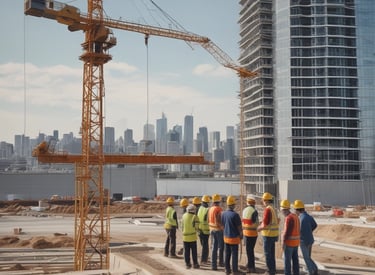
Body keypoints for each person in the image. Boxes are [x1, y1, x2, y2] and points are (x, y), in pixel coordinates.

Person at [293, 200, 318, 275]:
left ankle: (311, 272)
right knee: (308, 257)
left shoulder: (300, 219)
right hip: (310, 240)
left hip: (303, 241)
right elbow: (315, 225)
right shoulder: (308, 216)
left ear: (298, 210)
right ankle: (315, 269)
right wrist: (309, 231)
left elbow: (298, 230)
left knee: (306, 258)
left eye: (295, 210)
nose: (295, 212)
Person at [257, 192, 279, 275]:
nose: (262, 202)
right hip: (273, 234)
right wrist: (262, 222)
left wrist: (259, 228)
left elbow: (266, 223)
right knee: (272, 254)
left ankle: (269, 271)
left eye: (263, 200)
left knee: (267, 254)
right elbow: (273, 220)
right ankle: (273, 269)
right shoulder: (273, 208)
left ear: (265, 200)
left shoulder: (267, 209)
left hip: (268, 234)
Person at [221, 195, 243, 275]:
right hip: (234, 238)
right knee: (234, 255)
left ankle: (227, 269)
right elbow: (239, 227)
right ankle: (235, 270)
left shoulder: (223, 214)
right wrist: (241, 235)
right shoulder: (235, 215)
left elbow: (222, 225)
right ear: (233, 205)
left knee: (227, 254)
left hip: (226, 237)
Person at [280, 199, 300, 275]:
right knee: (295, 261)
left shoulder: (288, 218)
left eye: (282, 210)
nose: (281, 212)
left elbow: (286, 232)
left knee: (287, 262)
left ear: (284, 209)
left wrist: (283, 242)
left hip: (289, 244)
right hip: (296, 243)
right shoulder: (295, 216)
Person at [242, 194, 259, 273]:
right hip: (253, 234)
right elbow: (256, 222)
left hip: (246, 233)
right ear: (254, 203)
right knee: (251, 251)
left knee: (248, 251)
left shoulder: (244, 210)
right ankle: (251, 267)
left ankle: (249, 264)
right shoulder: (254, 211)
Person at [208, 193, 225, 270]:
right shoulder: (219, 209)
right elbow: (218, 220)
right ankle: (221, 262)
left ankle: (213, 265)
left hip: (212, 230)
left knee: (214, 247)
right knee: (221, 247)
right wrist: (222, 227)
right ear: (219, 201)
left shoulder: (210, 209)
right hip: (218, 230)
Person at [182, 204, 200, 269]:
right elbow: (197, 227)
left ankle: (187, 264)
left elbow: (182, 226)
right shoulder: (195, 217)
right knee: (194, 252)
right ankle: (195, 264)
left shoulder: (183, 216)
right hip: (192, 237)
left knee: (186, 252)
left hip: (185, 237)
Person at [197, 194, 211, 264]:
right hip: (205, 230)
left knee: (203, 245)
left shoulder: (200, 208)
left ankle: (203, 259)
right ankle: (204, 260)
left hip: (200, 229)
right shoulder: (207, 209)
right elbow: (208, 220)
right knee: (205, 246)